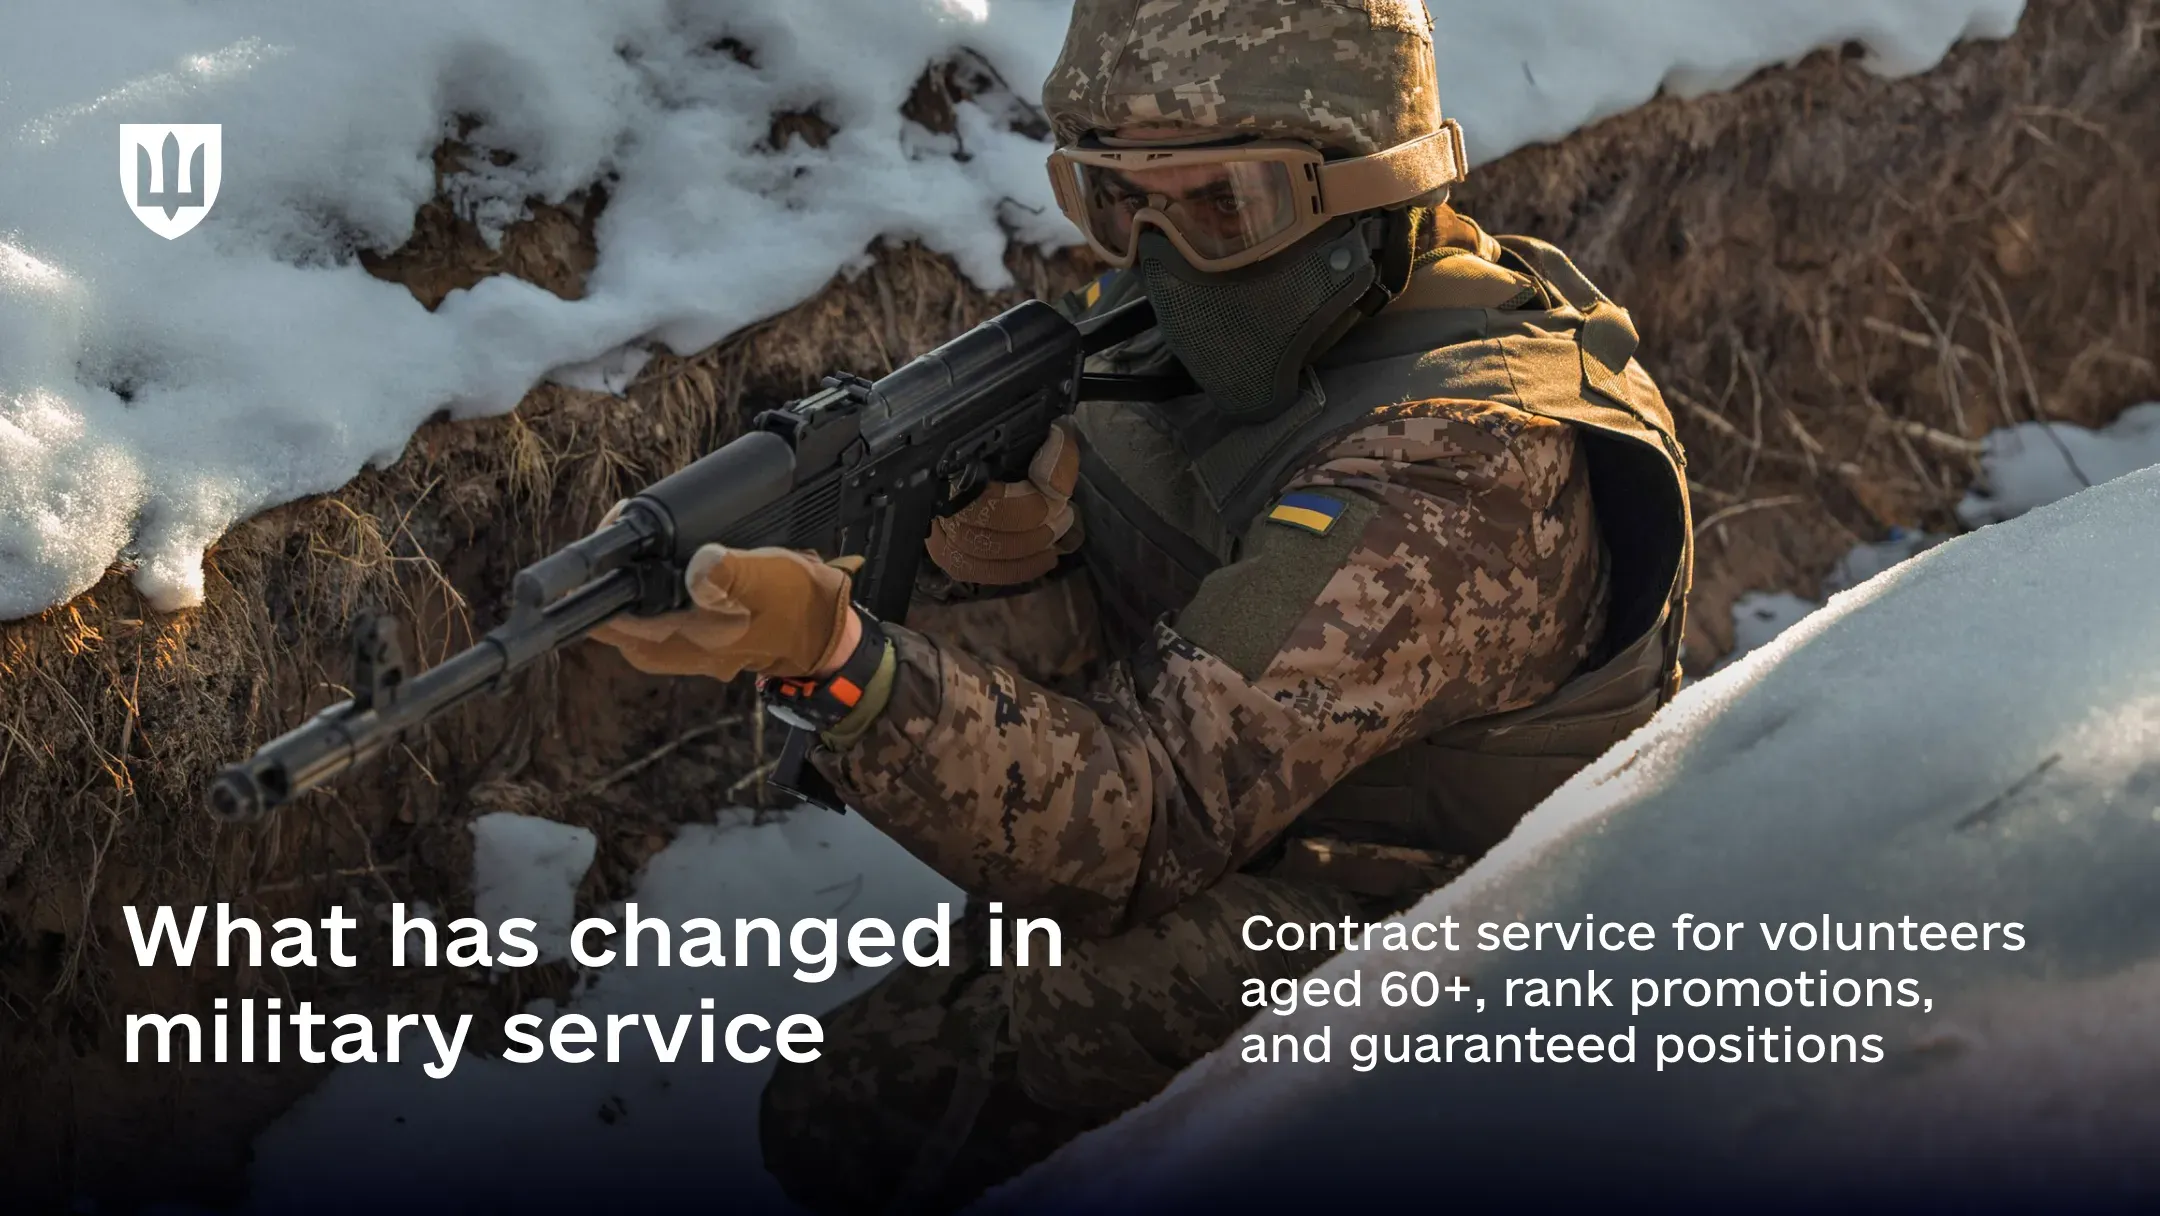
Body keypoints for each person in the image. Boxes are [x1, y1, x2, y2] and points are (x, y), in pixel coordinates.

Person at [588, 0, 1693, 1209]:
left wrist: (840, 661)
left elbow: (1143, 818)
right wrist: (1034, 549)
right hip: (1275, 835)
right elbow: (1152, 619)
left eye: (1226, 205)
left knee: (928, 1085)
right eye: (1118, 202)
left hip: (1477, 943)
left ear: (1373, 186)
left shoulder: (1455, 464)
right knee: (829, 1102)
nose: (1162, 255)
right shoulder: (1273, 325)